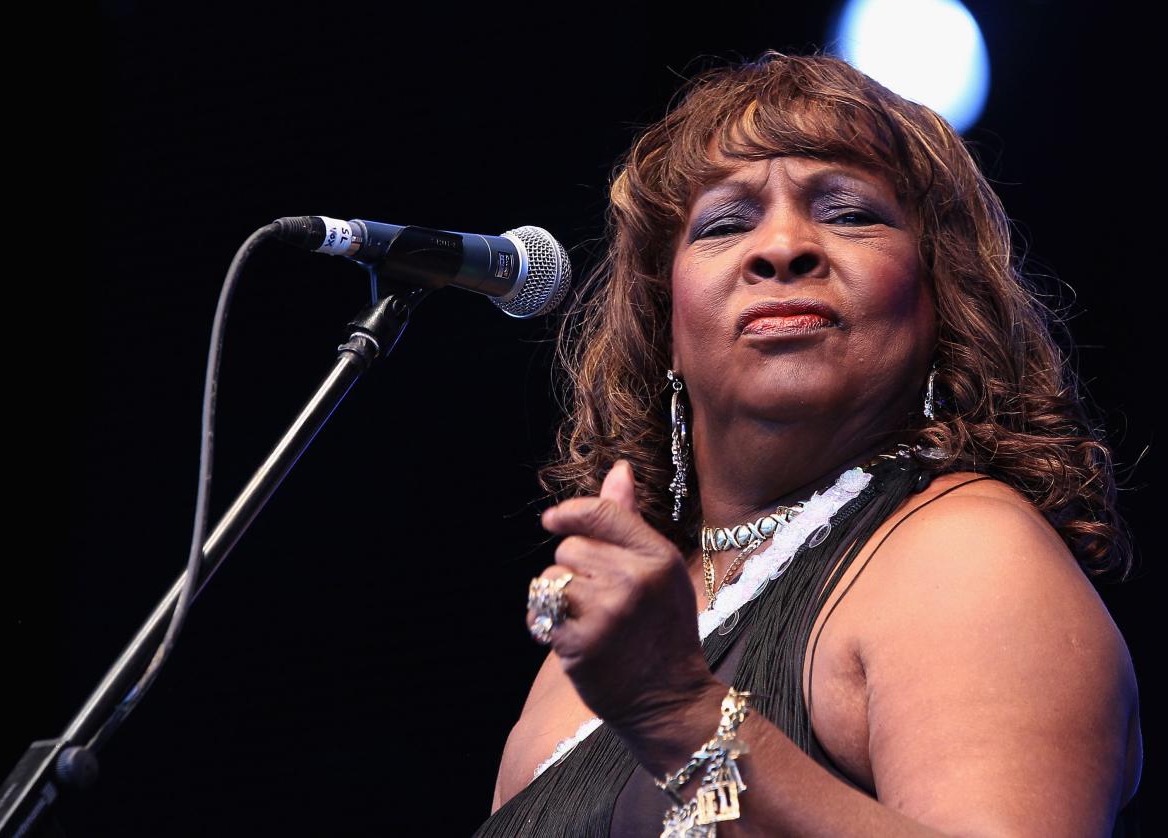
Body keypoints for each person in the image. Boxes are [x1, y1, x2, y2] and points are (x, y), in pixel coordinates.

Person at [477, 52, 1142, 836]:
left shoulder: (967, 555)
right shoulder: (586, 655)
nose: (783, 245)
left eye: (850, 212)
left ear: (941, 298)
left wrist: (680, 709)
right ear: (666, 329)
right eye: (726, 224)